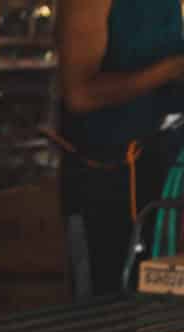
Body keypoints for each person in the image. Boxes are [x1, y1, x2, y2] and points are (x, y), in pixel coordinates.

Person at [58, 0, 184, 298]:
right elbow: (79, 95)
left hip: (164, 168)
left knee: (157, 295)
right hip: (108, 175)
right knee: (104, 298)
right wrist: (170, 70)